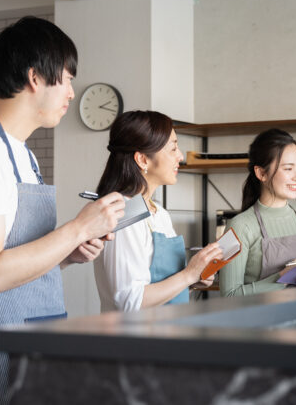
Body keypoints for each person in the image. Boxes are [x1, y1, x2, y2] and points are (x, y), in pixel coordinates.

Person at [0, 17, 126, 404]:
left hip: (33, 348)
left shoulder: (22, 154)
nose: (71, 93)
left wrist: (65, 256)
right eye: (67, 79)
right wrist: (76, 228)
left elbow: (13, 260)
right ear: (36, 77)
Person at [94, 110, 223, 311]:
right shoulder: (124, 215)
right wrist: (188, 274)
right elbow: (130, 301)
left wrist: (192, 280)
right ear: (143, 160)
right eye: (173, 149)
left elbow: (159, 288)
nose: (180, 156)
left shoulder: (160, 214)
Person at [219, 129, 296, 297]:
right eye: (288, 169)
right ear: (261, 173)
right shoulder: (239, 226)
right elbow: (228, 295)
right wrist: (282, 277)